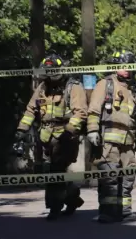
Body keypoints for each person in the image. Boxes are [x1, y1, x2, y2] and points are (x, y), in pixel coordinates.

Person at [15, 53, 88, 220]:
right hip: (46, 138)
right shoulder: (42, 87)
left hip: (66, 138)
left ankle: (54, 208)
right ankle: (73, 197)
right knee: (55, 172)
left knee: (54, 172)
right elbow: (31, 109)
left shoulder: (73, 87)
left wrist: (69, 131)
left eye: (52, 71)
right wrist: (22, 129)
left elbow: (80, 114)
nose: (50, 76)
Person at [87, 51, 136, 224]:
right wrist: (92, 130)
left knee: (128, 177)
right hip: (109, 140)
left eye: (130, 67)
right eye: (124, 66)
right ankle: (108, 213)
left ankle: (124, 211)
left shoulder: (134, 89)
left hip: (129, 141)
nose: (127, 70)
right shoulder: (105, 84)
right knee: (109, 177)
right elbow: (93, 110)